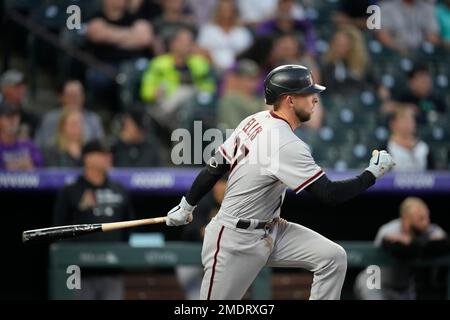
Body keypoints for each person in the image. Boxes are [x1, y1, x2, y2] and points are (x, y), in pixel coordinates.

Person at [164, 64, 395, 300]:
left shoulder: (255, 119)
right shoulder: (285, 143)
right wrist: (372, 174)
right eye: (308, 93)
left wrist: (186, 205)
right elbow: (329, 195)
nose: (315, 99)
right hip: (234, 240)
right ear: (289, 100)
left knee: (332, 258)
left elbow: (215, 168)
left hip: (271, 229)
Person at [54, 140, 134, 299]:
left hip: (112, 268)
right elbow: (59, 229)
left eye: (108, 154)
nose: (108, 157)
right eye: (102, 154)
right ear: (88, 158)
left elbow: (129, 225)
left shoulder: (118, 189)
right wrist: (82, 208)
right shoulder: (71, 191)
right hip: (79, 270)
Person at [354, 197, 449, 300]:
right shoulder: (390, 229)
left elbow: (445, 243)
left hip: (403, 289)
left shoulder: (428, 230)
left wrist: (412, 242)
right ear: (406, 220)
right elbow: (400, 251)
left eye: (427, 217)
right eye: (421, 219)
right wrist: (424, 245)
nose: (426, 223)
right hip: (374, 282)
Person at [176, 174, 228, 300]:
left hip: (219, 258)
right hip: (192, 257)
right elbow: (194, 230)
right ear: (215, 186)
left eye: (226, 184)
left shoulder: (233, 204)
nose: (223, 188)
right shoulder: (202, 200)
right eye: (220, 184)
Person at [35, 80, 104, 150]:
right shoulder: (49, 119)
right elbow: (40, 145)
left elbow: (99, 148)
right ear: (62, 98)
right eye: (70, 95)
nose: (74, 99)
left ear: (83, 97)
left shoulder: (93, 120)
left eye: (77, 95)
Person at [196, 0, 254, 72]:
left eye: (229, 10)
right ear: (218, 11)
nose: (227, 13)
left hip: (237, 70)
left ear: (234, 12)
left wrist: (235, 66)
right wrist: (214, 65)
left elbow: (248, 53)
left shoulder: (242, 32)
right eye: (224, 10)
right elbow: (201, 50)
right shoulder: (208, 30)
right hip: (212, 69)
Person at [382, 105, 434, 172]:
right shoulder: (386, 147)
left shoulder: (423, 147)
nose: (408, 124)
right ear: (393, 123)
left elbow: (433, 173)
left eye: (410, 120)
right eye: (403, 120)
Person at [375, 0, 440, 54]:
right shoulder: (386, 7)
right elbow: (382, 35)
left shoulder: (427, 8)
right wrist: (398, 48)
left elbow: (433, 37)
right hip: (395, 53)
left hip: (421, 54)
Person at [0, 102, 43, 170]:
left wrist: (30, 166)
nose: (13, 121)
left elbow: (41, 170)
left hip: (28, 180)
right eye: (8, 117)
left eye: (16, 117)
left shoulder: (29, 145)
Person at [0, 69, 40, 139]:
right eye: (17, 86)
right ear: (4, 88)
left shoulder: (31, 119)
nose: (22, 90)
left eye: (24, 87)